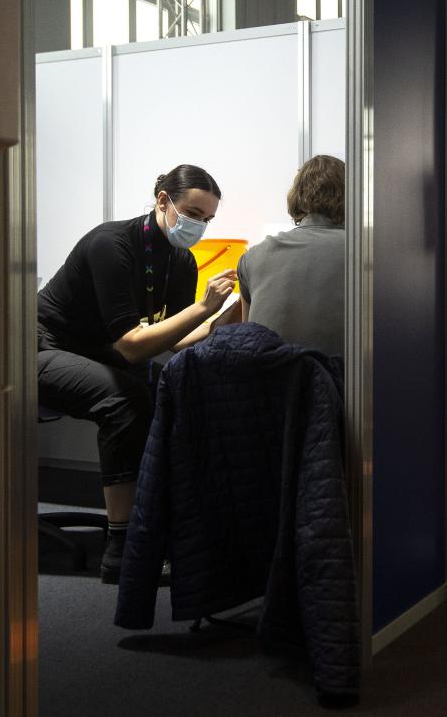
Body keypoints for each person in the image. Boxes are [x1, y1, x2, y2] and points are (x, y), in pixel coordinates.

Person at [36, 164, 237, 583]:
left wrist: (218, 321)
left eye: (208, 219)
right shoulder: (112, 243)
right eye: (193, 214)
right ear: (163, 201)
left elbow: (170, 339)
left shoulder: (180, 261)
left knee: (167, 385)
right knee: (125, 399)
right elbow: (130, 345)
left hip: (92, 352)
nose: (199, 226)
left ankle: (161, 529)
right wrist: (203, 308)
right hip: (40, 347)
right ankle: (122, 549)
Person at [232, 154, 346, 358]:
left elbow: (249, 335)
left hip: (271, 383)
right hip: (340, 385)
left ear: (296, 196)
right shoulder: (368, 255)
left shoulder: (253, 257)